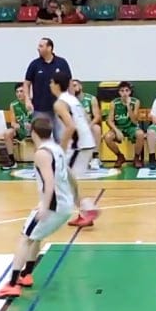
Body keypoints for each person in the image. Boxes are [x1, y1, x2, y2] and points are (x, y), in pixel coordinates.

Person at [0, 116, 79, 299]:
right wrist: (77, 200)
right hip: (64, 204)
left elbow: (49, 182)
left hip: (54, 206)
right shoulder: (57, 148)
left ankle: (13, 283)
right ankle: (27, 274)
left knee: (25, 238)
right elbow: (70, 176)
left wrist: (45, 207)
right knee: (36, 236)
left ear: (33, 132)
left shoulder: (42, 153)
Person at [51, 73, 97, 228]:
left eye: (51, 82)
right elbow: (85, 118)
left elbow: (70, 126)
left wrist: (61, 149)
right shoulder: (73, 99)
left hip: (78, 145)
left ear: (57, 85)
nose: (49, 85)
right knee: (68, 180)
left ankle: (87, 209)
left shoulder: (60, 103)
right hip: (84, 142)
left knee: (65, 178)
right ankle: (85, 211)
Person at [23, 38, 72, 141]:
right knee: (40, 139)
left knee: (61, 137)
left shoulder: (61, 63)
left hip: (60, 108)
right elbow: (26, 83)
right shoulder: (34, 64)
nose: (38, 48)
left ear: (49, 48)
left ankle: (60, 157)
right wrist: (27, 99)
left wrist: (71, 101)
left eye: (41, 46)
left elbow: (69, 83)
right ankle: (43, 157)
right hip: (40, 108)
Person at [104, 81, 145, 169]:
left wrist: (128, 106)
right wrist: (117, 131)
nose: (124, 93)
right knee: (107, 137)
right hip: (119, 127)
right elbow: (109, 121)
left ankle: (136, 158)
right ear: (119, 93)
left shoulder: (135, 102)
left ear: (130, 92)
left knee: (140, 134)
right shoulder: (114, 103)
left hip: (131, 127)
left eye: (127, 90)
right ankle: (120, 156)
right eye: (122, 91)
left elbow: (134, 121)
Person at [71, 79, 103, 170]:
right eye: (71, 86)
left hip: (88, 125)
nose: (73, 88)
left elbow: (97, 117)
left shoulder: (91, 99)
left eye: (75, 85)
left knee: (96, 128)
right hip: (74, 126)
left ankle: (95, 158)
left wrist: (88, 126)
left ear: (80, 86)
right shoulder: (69, 101)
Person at [1, 83, 31, 171]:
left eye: (21, 91)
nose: (19, 93)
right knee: (7, 133)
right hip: (20, 129)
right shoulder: (13, 105)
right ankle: (12, 161)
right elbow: (12, 122)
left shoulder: (32, 103)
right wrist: (15, 125)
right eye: (17, 92)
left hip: (33, 129)